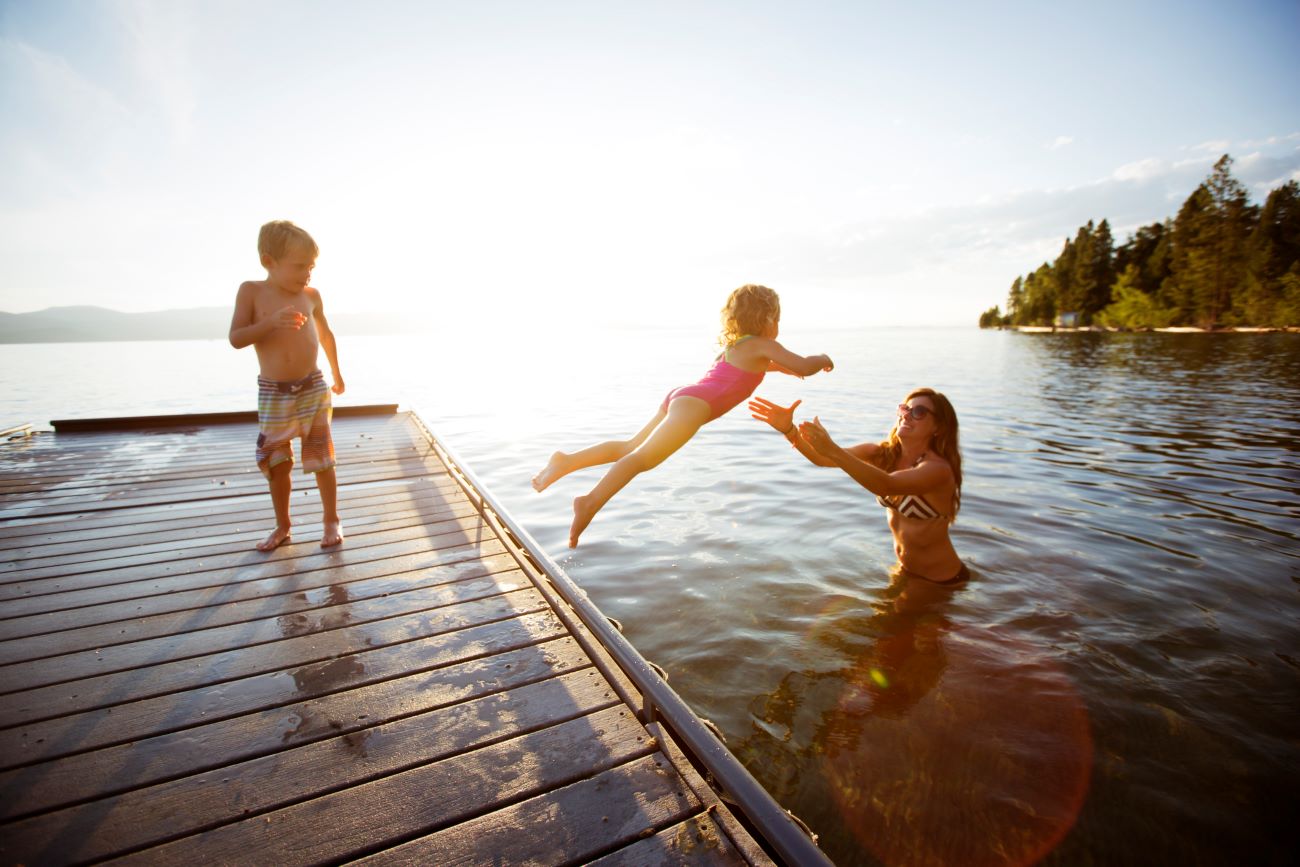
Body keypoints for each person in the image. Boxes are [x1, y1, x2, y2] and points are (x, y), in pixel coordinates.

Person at [532, 284, 833, 547]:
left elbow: (780, 368)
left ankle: (567, 461)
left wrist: (793, 369)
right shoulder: (762, 345)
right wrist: (823, 359)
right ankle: (590, 502)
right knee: (641, 460)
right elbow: (804, 365)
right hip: (695, 405)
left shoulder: (738, 348)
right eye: (777, 318)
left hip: (682, 396)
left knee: (628, 447)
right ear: (768, 318)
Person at [749, 388, 966, 584]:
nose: (907, 415)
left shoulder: (938, 469)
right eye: (904, 408)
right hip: (905, 571)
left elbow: (886, 485)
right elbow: (822, 459)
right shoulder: (881, 454)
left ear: (938, 426)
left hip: (941, 581)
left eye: (918, 412)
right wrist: (789, 430)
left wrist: (833, 449)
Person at [229, 220, 346, 552]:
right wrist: (268, 324)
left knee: (321, 455)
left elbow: (325, 335)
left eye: (311, 267)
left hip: (313, 386)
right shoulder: (252, 291)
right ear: (269, 261)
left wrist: (337, 373)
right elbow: (236, 338)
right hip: (274, 392)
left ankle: (331, 520)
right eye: (298, 266)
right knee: (278, 461)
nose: (306, 274)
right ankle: (283, 526)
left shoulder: (312, 296)